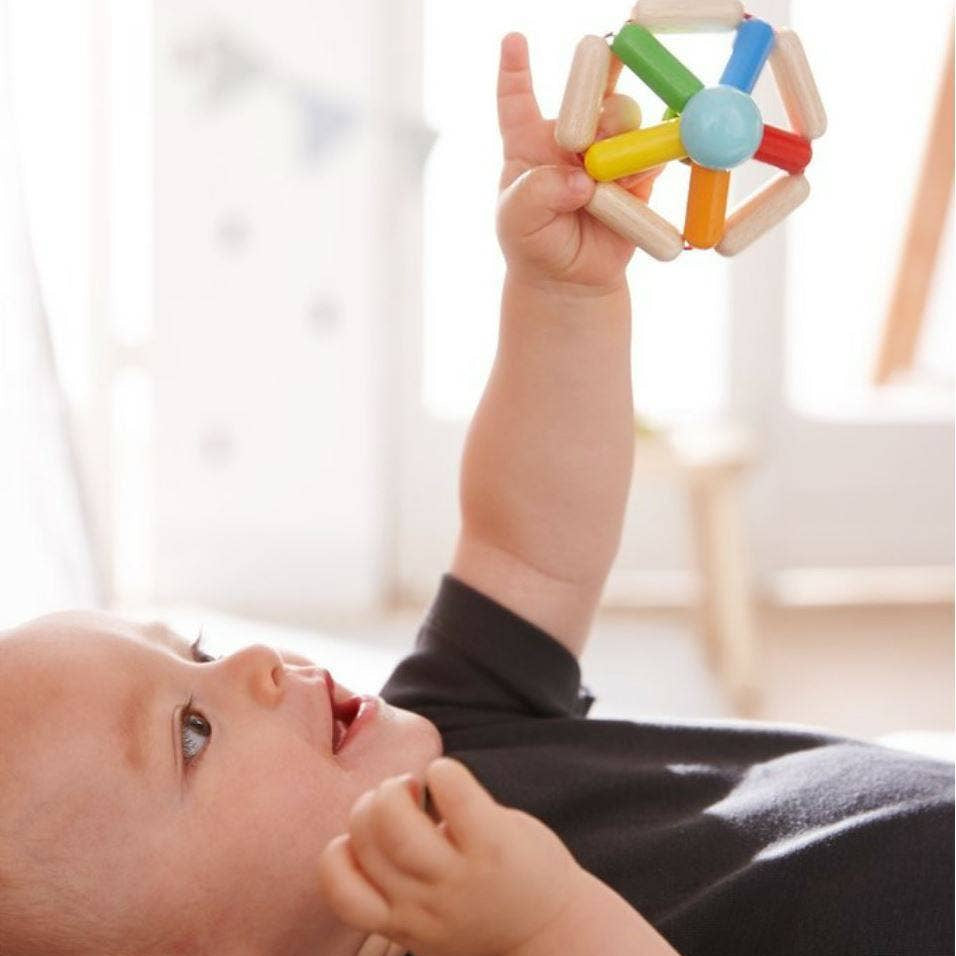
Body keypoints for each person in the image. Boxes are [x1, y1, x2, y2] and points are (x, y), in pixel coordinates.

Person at [0, 30, 951, 956]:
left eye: (198, 649)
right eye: (193, 733)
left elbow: (524, 547)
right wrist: (547, 930)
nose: (252, 658)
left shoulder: (439, 741)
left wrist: (562, 300)